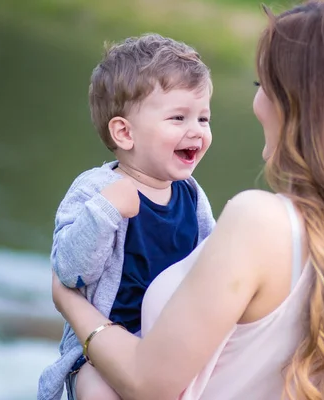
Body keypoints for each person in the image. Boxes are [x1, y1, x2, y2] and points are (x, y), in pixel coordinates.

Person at [51, 1, 324, 399]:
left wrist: (70, 302)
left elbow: (147, 384)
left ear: (298, 103)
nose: (256, 103)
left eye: (263, 87)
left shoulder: (259, 221)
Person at [38, 33, 216, 400]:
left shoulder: (192, 195)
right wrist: (106, 211)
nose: (196, 130)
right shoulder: (95, 190)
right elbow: (69, 272)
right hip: (102, 352)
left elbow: (209, 264)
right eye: (178, 117)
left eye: (203, 117)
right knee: (98, 391)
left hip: (169, 346)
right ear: (124, 132)